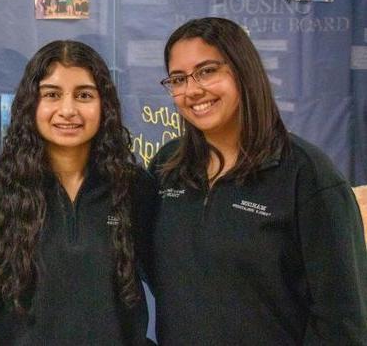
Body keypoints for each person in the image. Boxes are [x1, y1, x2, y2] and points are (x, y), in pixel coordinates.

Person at [148, 17, 367, 344]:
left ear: (242, 71)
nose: (192, 90)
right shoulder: (167, 167)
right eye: (178, 79)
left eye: (207, 71)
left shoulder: (306, 174)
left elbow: (342, 317)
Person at [0, 40, 156, 344]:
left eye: (84, 95)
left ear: (105, 106)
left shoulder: (133, 187)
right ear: (30, 104)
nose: (68, 110)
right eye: (52, 94)